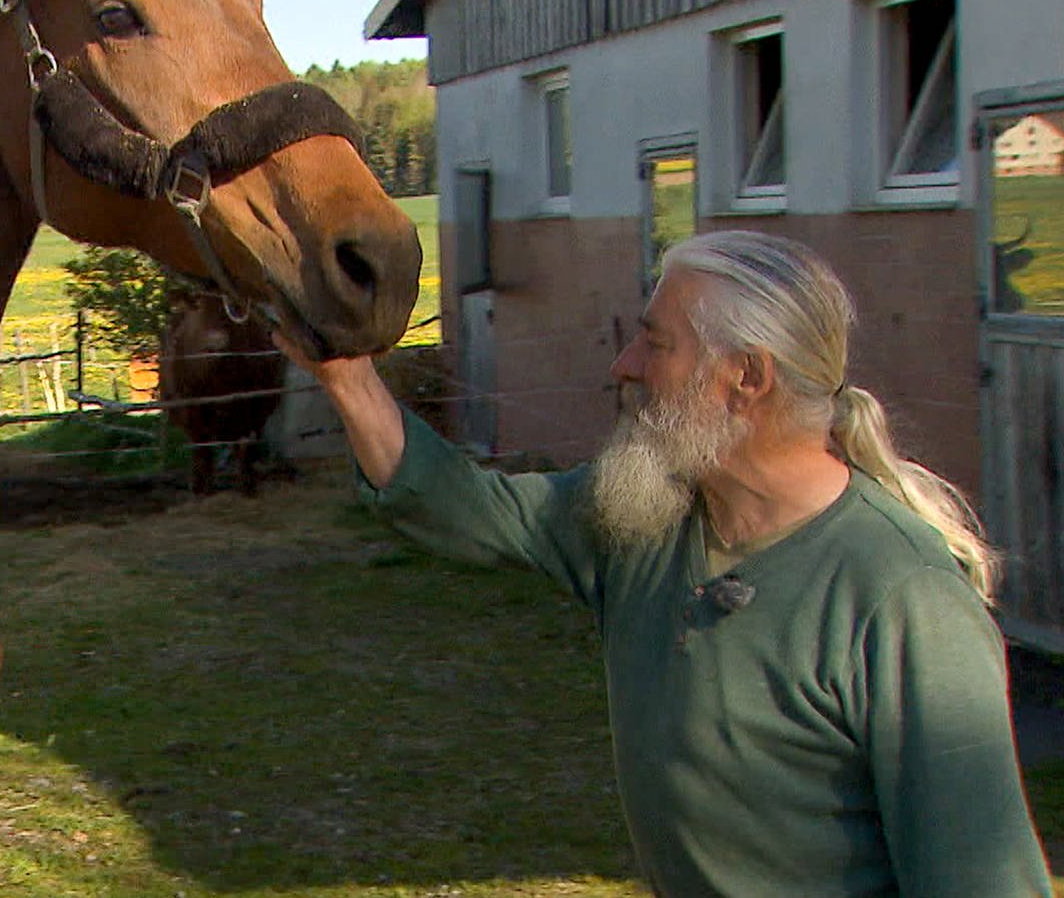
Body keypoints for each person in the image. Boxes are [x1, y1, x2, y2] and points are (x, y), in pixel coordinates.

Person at [279, 230, 1052, 896]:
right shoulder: (645, 520)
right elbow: (466, 507)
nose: (624, 364)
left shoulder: (901, 597)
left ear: (747, 378)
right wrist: (346, 376)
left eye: (656, 343)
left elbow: (981, 877)